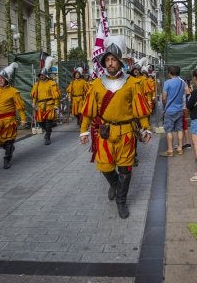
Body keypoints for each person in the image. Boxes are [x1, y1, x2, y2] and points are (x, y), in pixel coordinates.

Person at [79, 38, 152, 219]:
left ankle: (121, 201)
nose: (110, 63)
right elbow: (88, 111)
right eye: (107, 60)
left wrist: (145, 128)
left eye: (113, 59)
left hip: (127, 133)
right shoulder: (95, 84)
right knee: (105, 167)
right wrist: (84, 130)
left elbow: (141, 110)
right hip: (104, 133)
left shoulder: (132, 83)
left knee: (125, 171)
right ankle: (114, 184)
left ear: (119, 61)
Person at [0, 68, 26, 169]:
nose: (0, 80)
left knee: (9, 140)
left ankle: (7, 159)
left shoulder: (14, 92)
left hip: (9, 121)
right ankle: (10, 148)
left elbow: (20, 107)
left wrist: (23, 119)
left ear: (6, 79)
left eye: (2, 78)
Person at [31, 57, 60, 145]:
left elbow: (56, 95)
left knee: (48, 122)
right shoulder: (37, 84)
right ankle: (48, 131)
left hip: (49, 105)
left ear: (46, 75)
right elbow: (35, 94)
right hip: (40, 105)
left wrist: (56, 104)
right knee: (40, 121)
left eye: (42, 75)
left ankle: (47, 137)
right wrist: (33, 102)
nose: (41, 76)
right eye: (40, 75)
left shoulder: (52, 83)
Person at [159, 66, 186, 157]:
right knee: (179, 129)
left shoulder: (167, 83)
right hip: (179, 109)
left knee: (169, 130)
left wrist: (165, 104)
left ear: (169, 73)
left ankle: (170, 150)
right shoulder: (182, 83)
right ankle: (180, 148)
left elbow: (164, 97)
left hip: (170, 110)